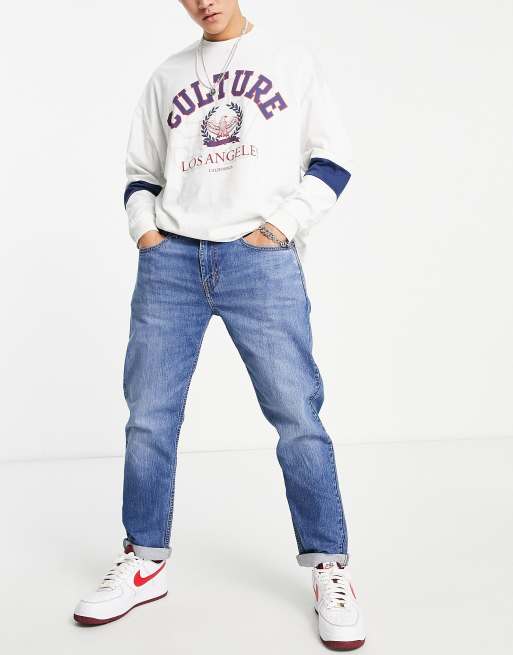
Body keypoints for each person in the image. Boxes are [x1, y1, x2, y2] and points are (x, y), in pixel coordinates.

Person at [73, 0, 366, 649]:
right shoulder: (167, 75)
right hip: (172, 259)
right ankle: (144, 558)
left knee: (296, 413)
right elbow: (140, 174)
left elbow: (334, 160)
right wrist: (145, 232)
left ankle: (329, 566)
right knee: (149, 416)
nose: (203, 1)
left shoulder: (290, 61)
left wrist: (281, 227)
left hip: (258, 258)